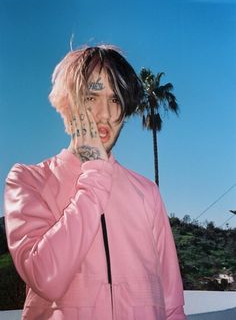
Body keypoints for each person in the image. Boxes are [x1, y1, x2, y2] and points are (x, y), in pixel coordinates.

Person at [4, 45, 186, 320]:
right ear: (68, 104)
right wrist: (96, 176)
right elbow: (45, 277)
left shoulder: (147, 193)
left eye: (115, 100)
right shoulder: (28, 180)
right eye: (92, 96)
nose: (103, 114)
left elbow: (171, 305)